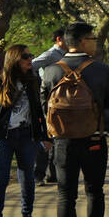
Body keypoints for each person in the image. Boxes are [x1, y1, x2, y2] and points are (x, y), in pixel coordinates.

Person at [41, 22, 109, 217]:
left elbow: (44, 107)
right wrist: (102, 131)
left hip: (63, 142)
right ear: (83, 41)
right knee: (94, 191)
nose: (96, 42)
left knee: (65, 195)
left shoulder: (52, 71)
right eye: (93, 38)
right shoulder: (101, 70)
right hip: (94, 139)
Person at [0, 45, 49, 217]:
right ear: (14, 59)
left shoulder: (33, 81)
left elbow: (38, 112)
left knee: (27, 177)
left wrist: (44, 136)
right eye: (26, 56)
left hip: (27, 136)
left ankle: (27, 216)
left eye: (31, 56)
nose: (30, 59)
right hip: (3, 138)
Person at [31, 26, 67, 187]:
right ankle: (38, 175)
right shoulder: (51, 54)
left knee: (56, 138)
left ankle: (52, 174)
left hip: (61, 100)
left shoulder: (64, 55)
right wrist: (39, 83)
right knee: (46, 137)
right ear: (59, 39)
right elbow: (32, 64)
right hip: (48, 100)